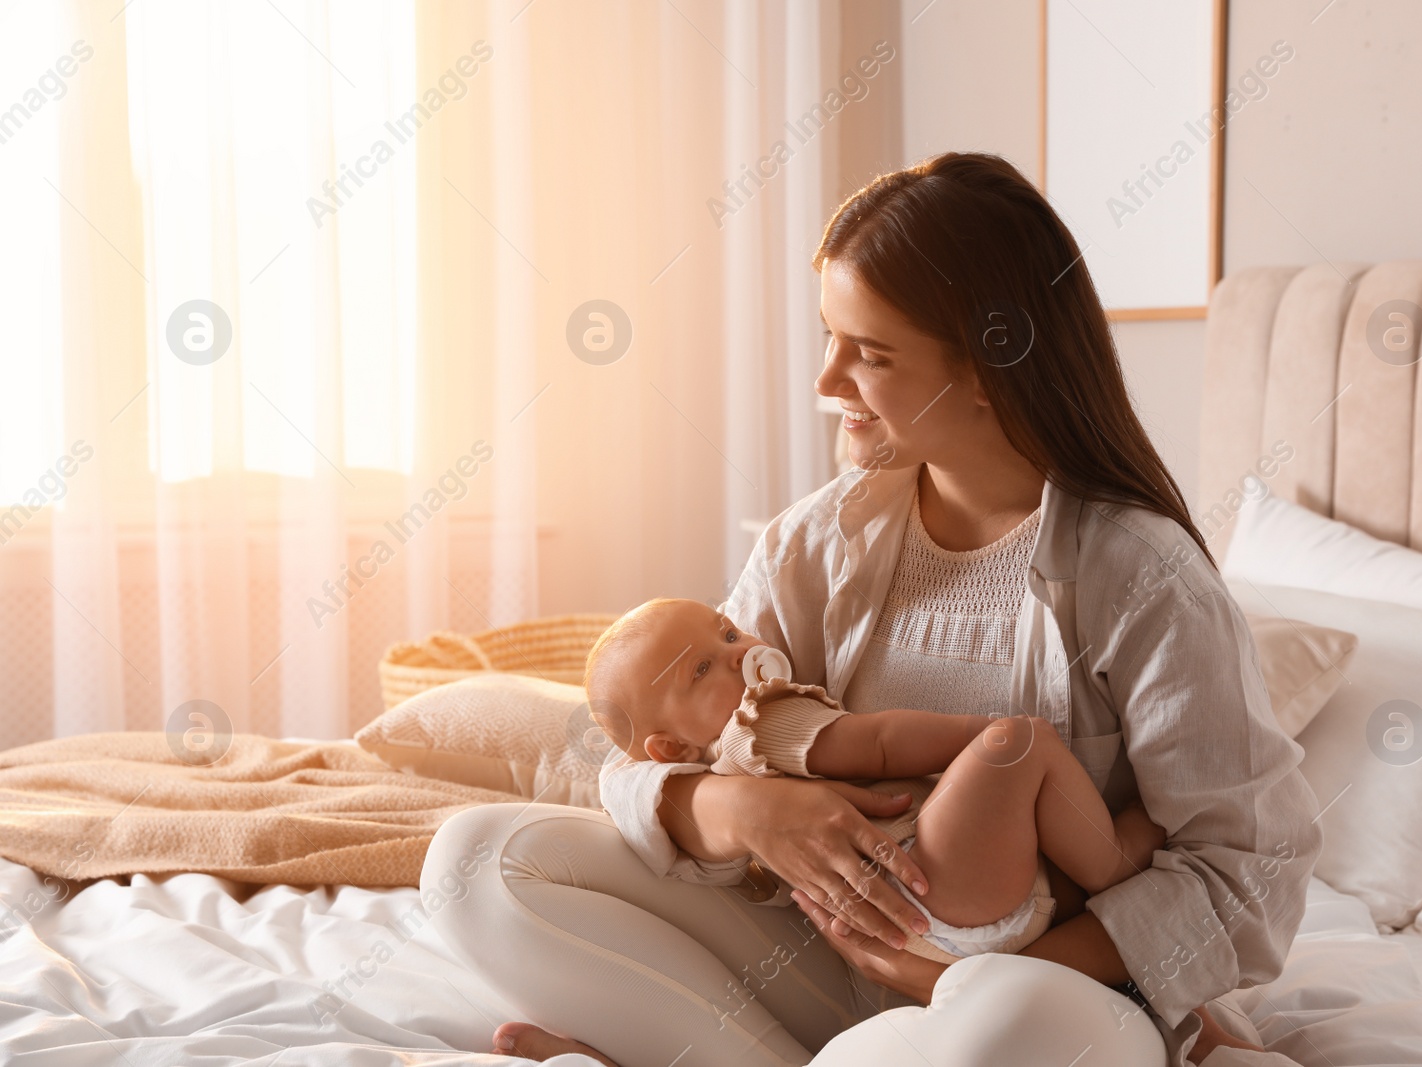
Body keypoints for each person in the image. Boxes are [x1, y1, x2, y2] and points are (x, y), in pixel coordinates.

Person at [422, 151, 1320, 1066]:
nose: (825, 380)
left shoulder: (1144, 578)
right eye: (830, 336)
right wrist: (745, 812)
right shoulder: (813, 542)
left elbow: (1245, 876)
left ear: (988, 369)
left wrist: (954, 981)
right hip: (823, 965)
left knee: (1011, 1029)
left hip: (1046, 997)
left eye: (871, 353)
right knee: (476, 864)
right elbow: (642, 750)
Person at [577, 596, 1172, 969]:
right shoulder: (757, 724)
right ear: (672, 749)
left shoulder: (724, 754)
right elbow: (880, 742)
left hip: (924, 930)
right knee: (1024, 744)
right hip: (931, 880)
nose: (738, 654)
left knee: (1086, 831)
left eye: (728, 632)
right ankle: (1118, 879)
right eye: (702, 669)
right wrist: (982, 734)